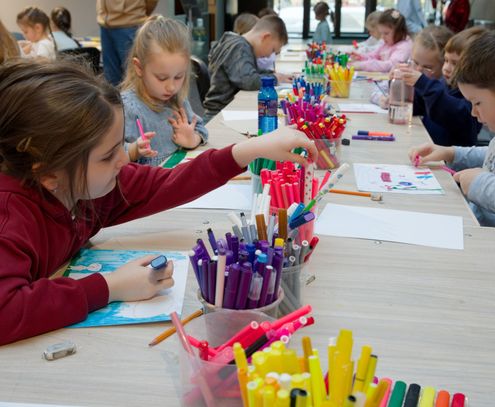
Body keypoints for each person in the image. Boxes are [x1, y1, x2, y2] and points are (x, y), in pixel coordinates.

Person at [0, 58, 317, 345]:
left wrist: (250, 150)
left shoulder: (85, 184)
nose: (123, 159)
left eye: (121, 145)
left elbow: (169, 183)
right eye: (108, 156)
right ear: (48, 172)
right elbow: (5, 311)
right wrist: (110, 286)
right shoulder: (10, 214)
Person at [409, 31, 495, 292]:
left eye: (477, 102)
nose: (473, 112)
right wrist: (452, 153)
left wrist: (483, 185)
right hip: (487, 246)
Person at [121, 16, 207, 166]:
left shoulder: (177, 99)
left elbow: (201, 128)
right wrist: (134, 150)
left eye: (178, 77)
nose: (171, 87)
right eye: (162, 78)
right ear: (139, 68)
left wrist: (192, 138)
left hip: (178, 173)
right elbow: (113, 154)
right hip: (149, 178)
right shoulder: (128, 107)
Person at [203, 16, 290, 121]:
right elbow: (248, 81)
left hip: (228, 110)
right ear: (265, 37)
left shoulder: (240, 45)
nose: (269, 55)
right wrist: (275, 78)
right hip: (219, 115)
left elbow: (252, 72)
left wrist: (274, 75)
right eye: (272, 50)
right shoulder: (239, 47)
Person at [97, 0, 158, 86]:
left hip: (130, 24)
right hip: (105, 24)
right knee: (111, 79)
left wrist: (136, 13)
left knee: (134, 79)